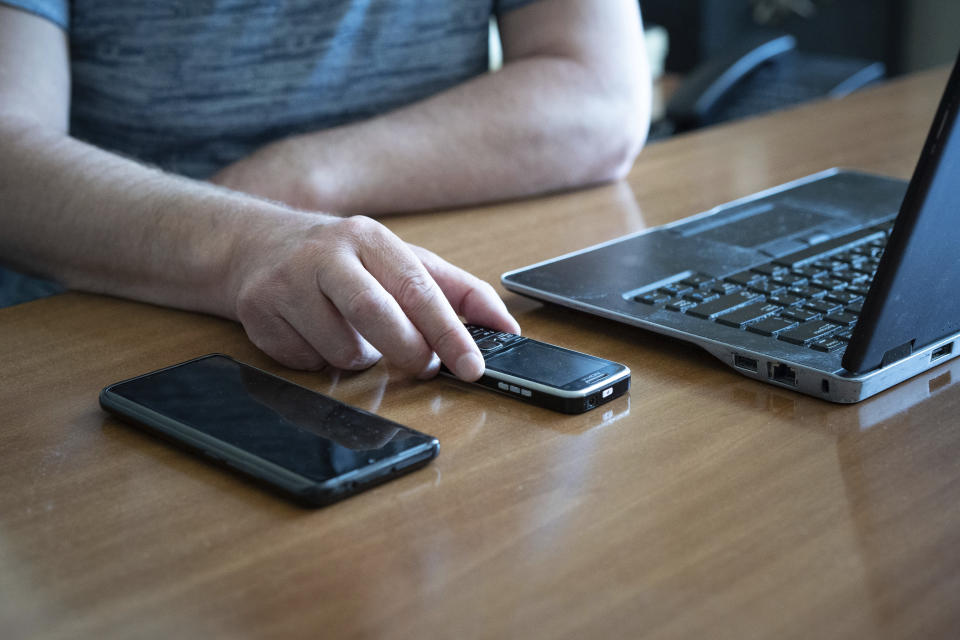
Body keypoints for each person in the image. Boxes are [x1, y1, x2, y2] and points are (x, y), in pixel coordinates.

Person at [0, 0, 649, 381]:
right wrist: (240, 240)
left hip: (386, 292)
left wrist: (295, 181)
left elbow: (603, 96)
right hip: (96, 329)